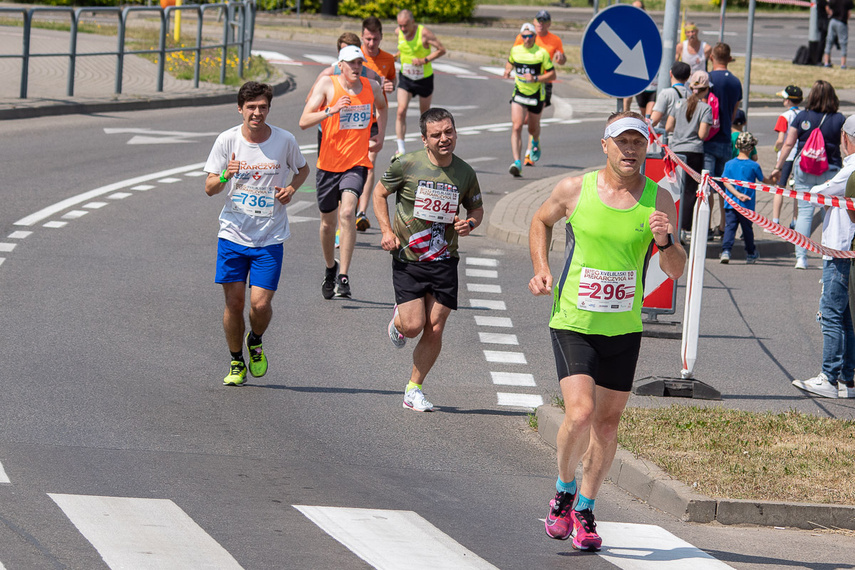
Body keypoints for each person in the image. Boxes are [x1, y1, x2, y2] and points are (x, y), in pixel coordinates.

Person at [529, 111, 686, 551]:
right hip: (574, 321)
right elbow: (540, 221)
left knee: (607, 422)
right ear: (605, 145)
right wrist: (542, 269)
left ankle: (585, 508)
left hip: (623, 327)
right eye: (623, 142)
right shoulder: (574, 189)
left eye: (639, 142)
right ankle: (563, 491)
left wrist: (667, 241)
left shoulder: (660, 200)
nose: (631, 150)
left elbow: (675, 271)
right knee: (579, 414)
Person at [373, 108, 484, 412]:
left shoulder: (465, 172)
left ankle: (414, 388)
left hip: (445, 258)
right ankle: (398, 322)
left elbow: (476, 211)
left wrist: (469, 224)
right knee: (413, 327)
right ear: (424, 139)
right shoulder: (406, 164)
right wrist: (385, 230)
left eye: (449, 132)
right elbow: (379, 193)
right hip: (409, 258)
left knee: (435, 326)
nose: (444, 139)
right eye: (436, 135)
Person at [204, 81, 310, 385]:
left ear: (268, 109)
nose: (257, 112)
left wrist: (291, 188)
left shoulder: (284, 140)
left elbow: (302, 169)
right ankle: (236, 361)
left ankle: (256, 339)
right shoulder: (227, 141)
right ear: (240, 109)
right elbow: (210, 188)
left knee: (260, 305)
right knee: (234, 304)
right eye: (251, 107)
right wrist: (226, 174)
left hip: (269, 237)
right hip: (233, 235)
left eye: (262, 107)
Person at [299, 45, 386, 299]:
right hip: (327, 165)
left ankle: (344, 276)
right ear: (341, 65)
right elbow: (304, 121)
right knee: (327, 224)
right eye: (351, 63)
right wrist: (331, 110)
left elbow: (382, 107)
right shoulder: (328, 84)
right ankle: (330, 267)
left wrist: (379, 135)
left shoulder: (372, 88)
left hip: (356, 163)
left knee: (347, 212)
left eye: (359, 63)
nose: (356, 67)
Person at [793, 115, 855, 399]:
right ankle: (847, 379)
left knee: (830, 313)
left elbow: (821, 191)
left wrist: (814, 189)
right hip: (844, 248)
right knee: (844, 316)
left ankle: (829, 377)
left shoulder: (851, 169)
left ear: (845, 138)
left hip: (839, 249)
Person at [772, 80, 846, 270]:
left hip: (804, 168)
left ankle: (801, 258)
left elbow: (788, 144)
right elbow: (845, 146)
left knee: (804, 213)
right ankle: (827, 256)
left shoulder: (802, 116)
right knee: (829, 213)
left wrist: (778, 167)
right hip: (829, 170)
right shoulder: (838, 119)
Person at [356, 16, 398, 232]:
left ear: (381, 37)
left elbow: (391, 81)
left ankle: (361, 212)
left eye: (375, 39)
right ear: (362, 37)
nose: (371, 44)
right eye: (367, 39)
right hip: (353, 120)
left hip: (374, 119)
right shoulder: (355, 57)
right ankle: (350, 206)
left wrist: (390, 86)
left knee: (369, 164)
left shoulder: (388, 59)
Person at [513, 9, 567, 167]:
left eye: (544, 21)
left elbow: (561, 62)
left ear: (549, 24)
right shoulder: (524, 36)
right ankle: (533, 140)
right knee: (522, 121)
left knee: (531, 119)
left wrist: (561, 58)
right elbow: (516, 54)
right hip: (524, 83)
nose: (541, 24)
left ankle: (529, 153)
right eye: (538, 20)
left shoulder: (555, 40)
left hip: (543, 83)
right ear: (534, 22)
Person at [666, 70, 713, 244]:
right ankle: (684, 228)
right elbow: (702, 134)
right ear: (706, 89)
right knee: (690, 191)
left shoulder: (678, 103)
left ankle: (672, 224)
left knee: (675, 189)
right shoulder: (705, 108)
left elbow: (669, 126)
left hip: (676, 151)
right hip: (694, 152)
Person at [504, 22, 556, 177]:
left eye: (530, 36)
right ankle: (517, 162)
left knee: (532, 129)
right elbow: (510, 61)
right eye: (524, 36)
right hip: (519, 94)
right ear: (521, 37)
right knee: (517, 126)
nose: (527, 39)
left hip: (535, 96)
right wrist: (507, 70)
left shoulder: (541, 53)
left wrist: (535, 78)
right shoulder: (516, 50)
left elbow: (552, 75)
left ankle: (535, 140)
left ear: (534, 36)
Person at [394, 9, 446, 157]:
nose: (403, 29)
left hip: (424, 78)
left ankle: (427, 148)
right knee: (400, 110)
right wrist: (396, 55)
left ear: (412, 22)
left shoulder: (424, 33)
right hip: (406, 77)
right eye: (400, 25)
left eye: (405, 25)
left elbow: (442, 50)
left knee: (425, 116)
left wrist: (424, 60)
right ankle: (401, 149)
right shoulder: (398, 32)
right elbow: (402, 48)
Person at [706, 42, 743, 238]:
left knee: (707, 184)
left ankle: (706, 227)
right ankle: (723, 226)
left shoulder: (709, 78)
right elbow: (734, 111)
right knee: (724, 185)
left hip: (709, 138)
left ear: (712, 57)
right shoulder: (736, 82)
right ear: (729, 58)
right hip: (726, 137)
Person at [719, 132, 765, 264]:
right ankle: (751, 253)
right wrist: (774, 178)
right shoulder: (754, 165)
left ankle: (726, 251)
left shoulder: (729, 164)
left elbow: (725, 181)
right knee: (747, 230)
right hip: (747, 206)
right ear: (751, 148)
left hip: (730, 204)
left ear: (736, 146)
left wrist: (735, 194)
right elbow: (763, 180)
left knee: (730, 228)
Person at [769, 85, 803, 231]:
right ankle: (795, 221)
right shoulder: (803, 115)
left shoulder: (784, 116)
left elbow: (780, 139)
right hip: (800, 155)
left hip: (786, 155)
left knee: (779, 188)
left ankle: (775, 220)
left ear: (788, 101)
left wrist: (776, 148)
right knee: (796, 189)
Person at [649, 61, 691, 136]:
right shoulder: (691, 95)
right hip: (685, 137)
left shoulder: (666, 94)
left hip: (667, 137)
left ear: (670, 73)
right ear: (688, 77)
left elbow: (654, 120)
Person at [824, 0, 853, 68]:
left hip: (833, 21)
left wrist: (831, 14)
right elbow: (849, 13)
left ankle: (826, 62)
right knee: (843, 42)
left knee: (829, 41)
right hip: (842, 21)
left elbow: (827, 7)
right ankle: (843, 64)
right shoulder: (848, 1)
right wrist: (845, 21)